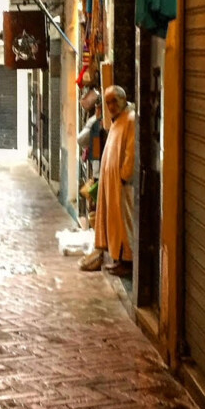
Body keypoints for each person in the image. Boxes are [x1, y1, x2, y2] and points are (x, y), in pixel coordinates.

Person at [79, 85, 136, 275]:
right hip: (113, 183)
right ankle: (119, 257)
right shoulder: (117, 120)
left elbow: (131, 152)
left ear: (123, 99)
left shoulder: (130, 119)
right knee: (116, 222)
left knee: (123, 222)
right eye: (108, 102)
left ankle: (127, 260)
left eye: (114, 101)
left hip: (121, 184)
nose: (110, 105)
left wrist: (123, 177)